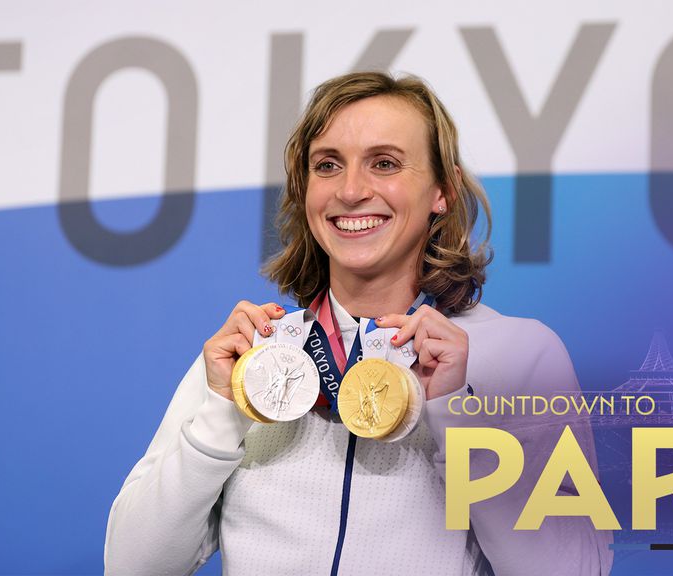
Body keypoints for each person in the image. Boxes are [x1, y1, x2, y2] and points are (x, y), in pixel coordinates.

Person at [104, 72, 612, 575]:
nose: (350, 190)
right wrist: (223, 411)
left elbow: (576, 569)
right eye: (328, 166)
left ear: (444, 191)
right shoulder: (254, 358)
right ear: (306, 192)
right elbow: (131, 566)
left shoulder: (520, 354)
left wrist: (457, 423)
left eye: (385, 163)